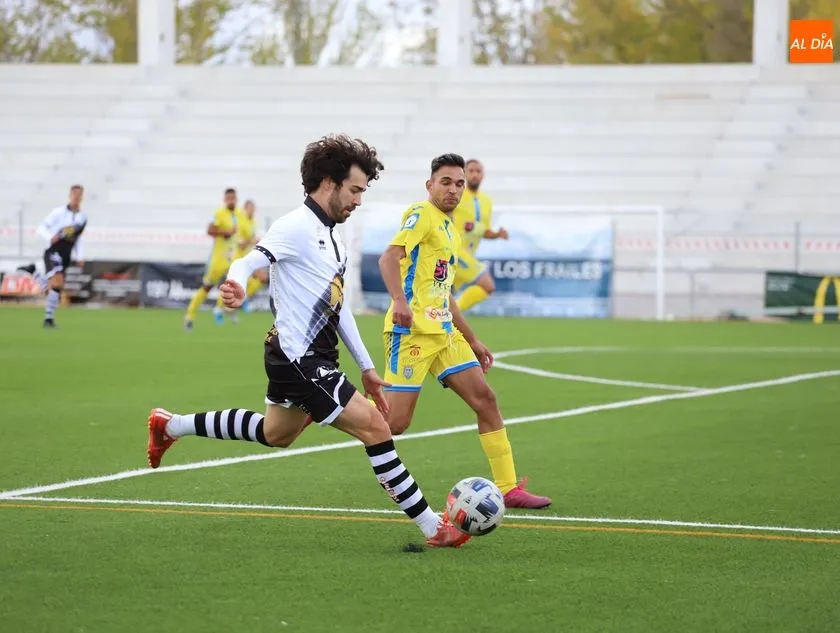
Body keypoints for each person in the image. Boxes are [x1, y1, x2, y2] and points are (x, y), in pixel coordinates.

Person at [147, 134, 469, 548]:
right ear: (329, 183)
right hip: (299, 358)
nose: (358, 201)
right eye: (354, 190)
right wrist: (236, 284)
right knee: (375, 427)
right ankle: (433, 526)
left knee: (276, 433)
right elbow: (246, 261)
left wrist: (367, 367)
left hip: (301, 356)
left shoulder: (334, 238)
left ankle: (170, 424)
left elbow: (339, 307)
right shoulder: (295, 226)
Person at [376, 154, 552, 510]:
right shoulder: (421, 213)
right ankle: (336, 404)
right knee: (395, 423)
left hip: (445, 333)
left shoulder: (449, 228)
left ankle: (508, 488)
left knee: (485, 398)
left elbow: (445, 293)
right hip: (411, 333)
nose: (454, 190)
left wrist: (472, 339)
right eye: (446, 182)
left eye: (459, 184)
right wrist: (399, 300)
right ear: (430, 185)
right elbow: (388, 257)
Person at [18, 185, 88, 327]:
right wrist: (50, 237)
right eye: (74, 193)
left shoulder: (82, 218)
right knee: (57, 283)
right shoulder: (58, 212)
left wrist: (80, 256)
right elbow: (41, 227)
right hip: (54, 250)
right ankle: (48, 320)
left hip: (66, 253)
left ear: (82, 197)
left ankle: (48, 318)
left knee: (55, 287)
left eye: (79, 194)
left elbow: (78, 238)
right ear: (70, 195)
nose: (76, 196)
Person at [451, 159, 509, 312]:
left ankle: (445, 317)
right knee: (487, 285)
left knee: (441, 297)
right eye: (471, 171)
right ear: (464, 174)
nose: (475, 175)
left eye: (478, 171)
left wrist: (497, 234)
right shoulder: (456, 194)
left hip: (468, 254)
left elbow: (484, 231)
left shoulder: (486, 201)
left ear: (483, 175)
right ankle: (452, 315)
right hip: (454, 251)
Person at [184, 188, 240, 329]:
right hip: (218, 260)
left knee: (233, 284)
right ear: (225, 199)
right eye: (228, 198)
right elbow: (210, 230)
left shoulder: (237, 215)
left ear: (236, 199)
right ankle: (190, 316)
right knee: (207, 288)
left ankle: (220, 310)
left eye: (233, 197)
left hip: (231, 258)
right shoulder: (219, 213)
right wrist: (225, 232)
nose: (231, 200)